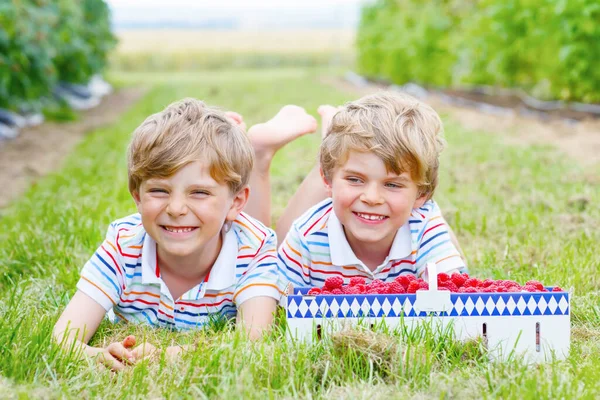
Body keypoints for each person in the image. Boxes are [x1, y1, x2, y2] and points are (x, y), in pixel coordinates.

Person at [53, 98, 316, 371]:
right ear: (137, 197)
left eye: (199, 192)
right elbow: (63, 338)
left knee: (272, 234)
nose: (176, 209)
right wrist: (96, 356)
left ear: (237, 202)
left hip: (242, 234)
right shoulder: (123, 245)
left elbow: (253, 343)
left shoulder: (254, 249)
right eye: (159, 191)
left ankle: (263, 156)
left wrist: (170, 355)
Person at [275, 92, 467, 288]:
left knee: (435, 221)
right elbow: (280, 304)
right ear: (327, 180)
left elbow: (453, 296)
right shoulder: (307, 236)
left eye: (392, 184)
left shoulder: (423, 227)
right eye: (355, 179)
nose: (372, 198)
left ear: (421, 194)